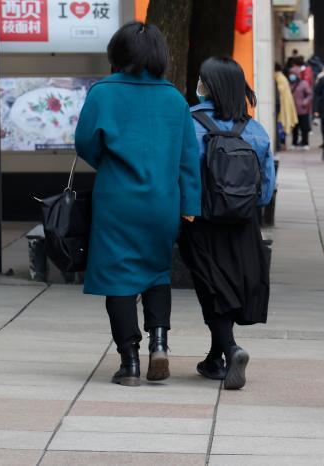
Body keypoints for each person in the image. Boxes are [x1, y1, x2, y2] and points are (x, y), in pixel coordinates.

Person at [75, 21, 202, 387]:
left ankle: (129, 361)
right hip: (163, 201)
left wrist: (109, 162)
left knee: (119, 279)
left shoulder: (102, 93)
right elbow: (187, 160)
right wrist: (189, 205)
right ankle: (159, 343)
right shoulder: (174, 99)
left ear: (117, 52)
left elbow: (85, 142)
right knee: (156, 272)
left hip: (116, 200)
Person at [180, 57, 275, 390]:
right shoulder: (255, 129)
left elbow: (180, 172)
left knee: (212, 287)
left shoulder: (188, 123)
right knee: (230, 286)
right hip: (243, 221)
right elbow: (265, 189)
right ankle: (214, 358)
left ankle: (230, 349)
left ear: (208, 86)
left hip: (201, 219)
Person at [274, 63, 298, 150]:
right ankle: (282, 143)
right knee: (283, 123)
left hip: (283, 105)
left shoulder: (279, 78)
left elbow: (279, 92)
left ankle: (282, 144)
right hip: (285, 104)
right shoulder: (281, 77)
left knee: (282, 124)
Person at [289, 67, 313, 150]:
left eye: (293, 74)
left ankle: (305, 143)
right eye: (290, 74)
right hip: (292, 110)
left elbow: (310, 94)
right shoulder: (289, 84)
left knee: (304, 127)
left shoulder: (304, 84)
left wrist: (305, 102)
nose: (291, 76)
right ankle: (294, 143)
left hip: (303, 110)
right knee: (294, 127)